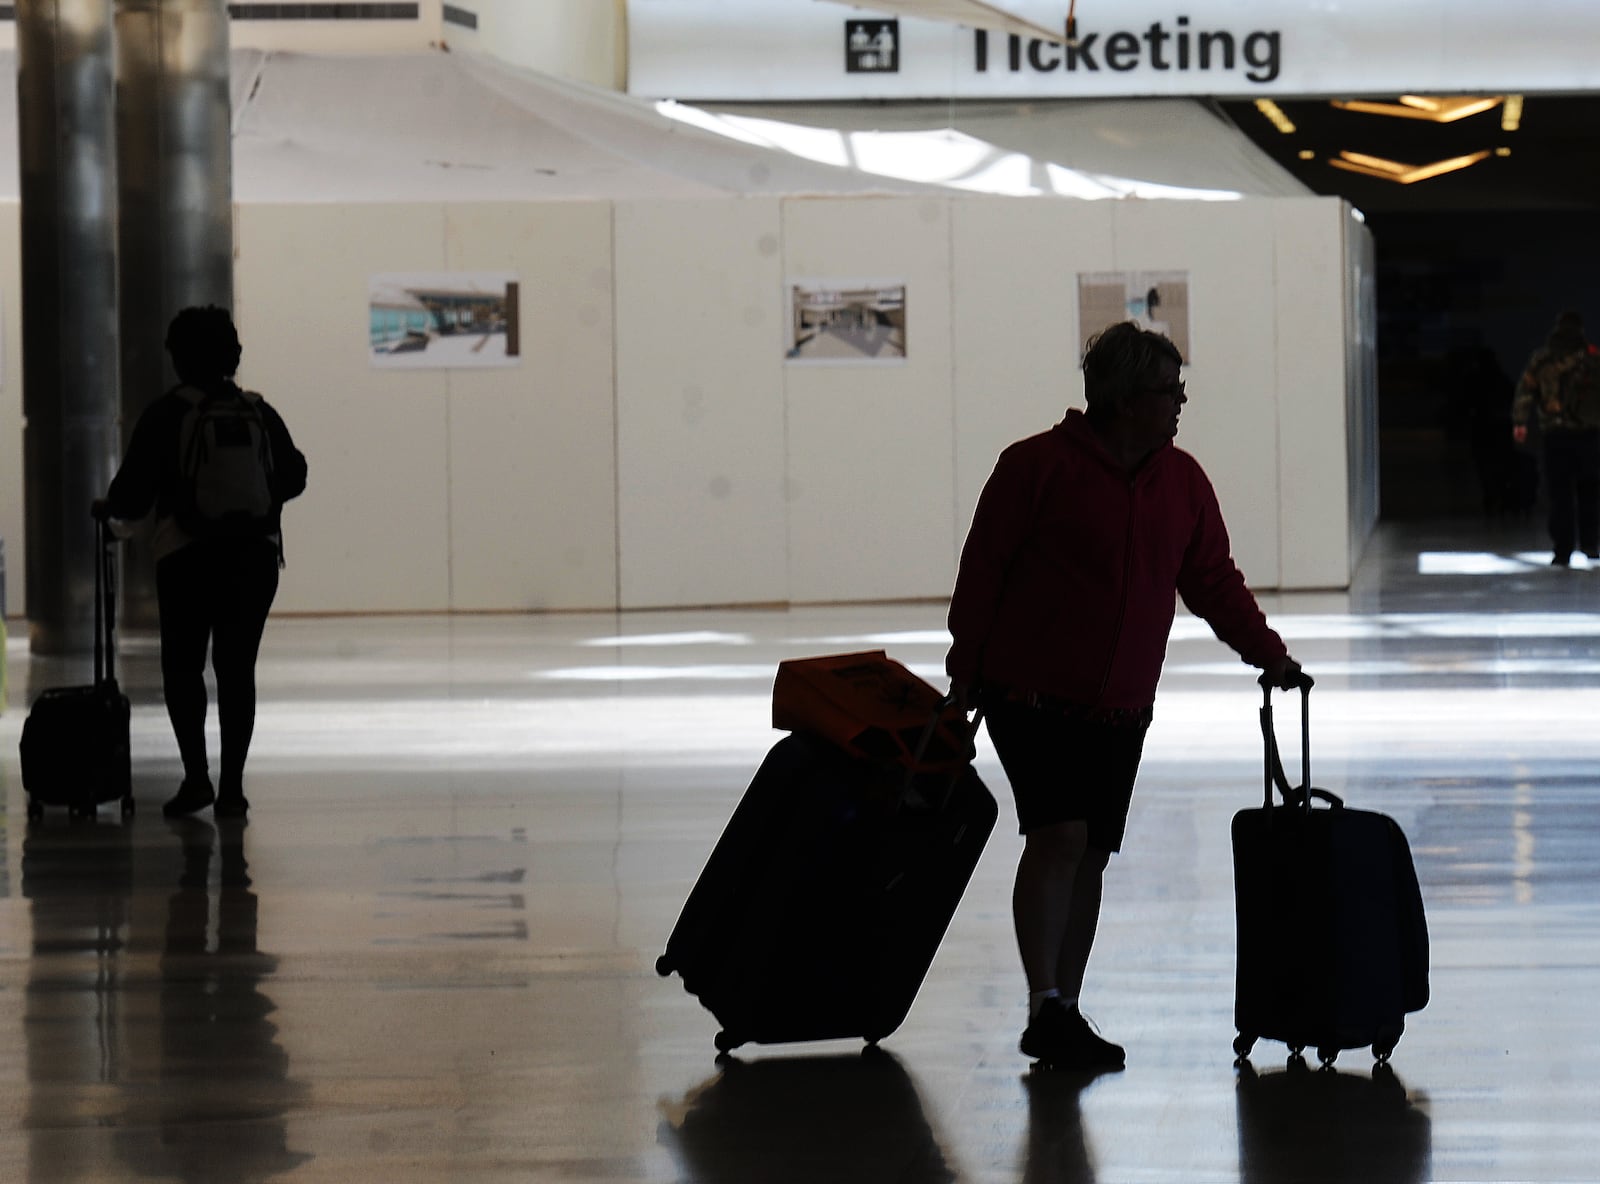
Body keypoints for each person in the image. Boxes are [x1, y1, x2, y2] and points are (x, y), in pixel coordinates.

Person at [946, 321, 1303, 1071]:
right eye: (1167, 391)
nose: (1179, 404)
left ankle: (1064, 1009)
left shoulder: (1182, 482)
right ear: (1123, 398)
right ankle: (1044, 1001)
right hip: (1030, 694)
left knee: (1092, 854)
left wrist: (1268, 656)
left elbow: (1211, 582)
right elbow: (984, 572)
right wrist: (966, 670)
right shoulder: (1034, 468)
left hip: (1121, 705)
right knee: (1060, 836)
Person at [95, 305, 308, 819]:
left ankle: (197, 779)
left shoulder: (168, 414)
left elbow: (131, 496)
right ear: (233, 355)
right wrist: (255, 507)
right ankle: (232, 788)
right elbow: (296, 475)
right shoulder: (259, 412)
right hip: (254, 557)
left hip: (187, 556)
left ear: (179, 358)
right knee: (237, 669)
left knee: (184, 668)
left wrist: (109, 510)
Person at [1512, 310, 1600, 566]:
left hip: (1555, 435)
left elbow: (1526, 391)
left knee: (1559, 493)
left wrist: (1520, 421)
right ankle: (1590, 544)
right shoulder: (1592, 358)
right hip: (1588, 434)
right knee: (1589, 492)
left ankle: (1563, 550)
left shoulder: (1543, 359)